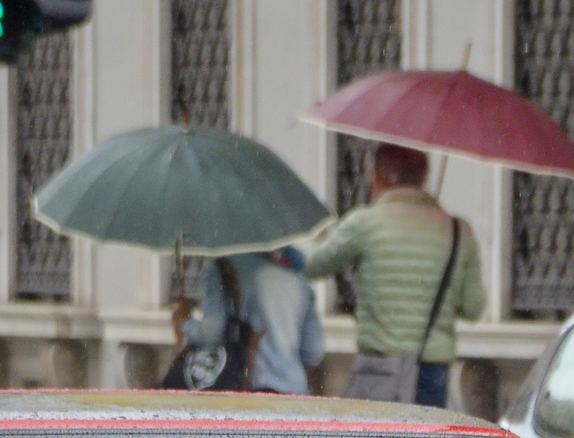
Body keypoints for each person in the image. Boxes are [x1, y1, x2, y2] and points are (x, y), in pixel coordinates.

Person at [302, 143, 487, 408]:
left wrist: (313, 237)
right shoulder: (458, 231)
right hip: (432, 372)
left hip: (380, 369)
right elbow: (473, 308)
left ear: (381, 175)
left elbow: (313, 265)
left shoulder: (364, 223)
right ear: (423, 177)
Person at [169, 248, 326, 394]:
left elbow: (212, 332)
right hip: (293, 390)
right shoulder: (296, 278)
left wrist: (184, 323)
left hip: (248, 386)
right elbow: (312, 353)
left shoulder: (223, 267)